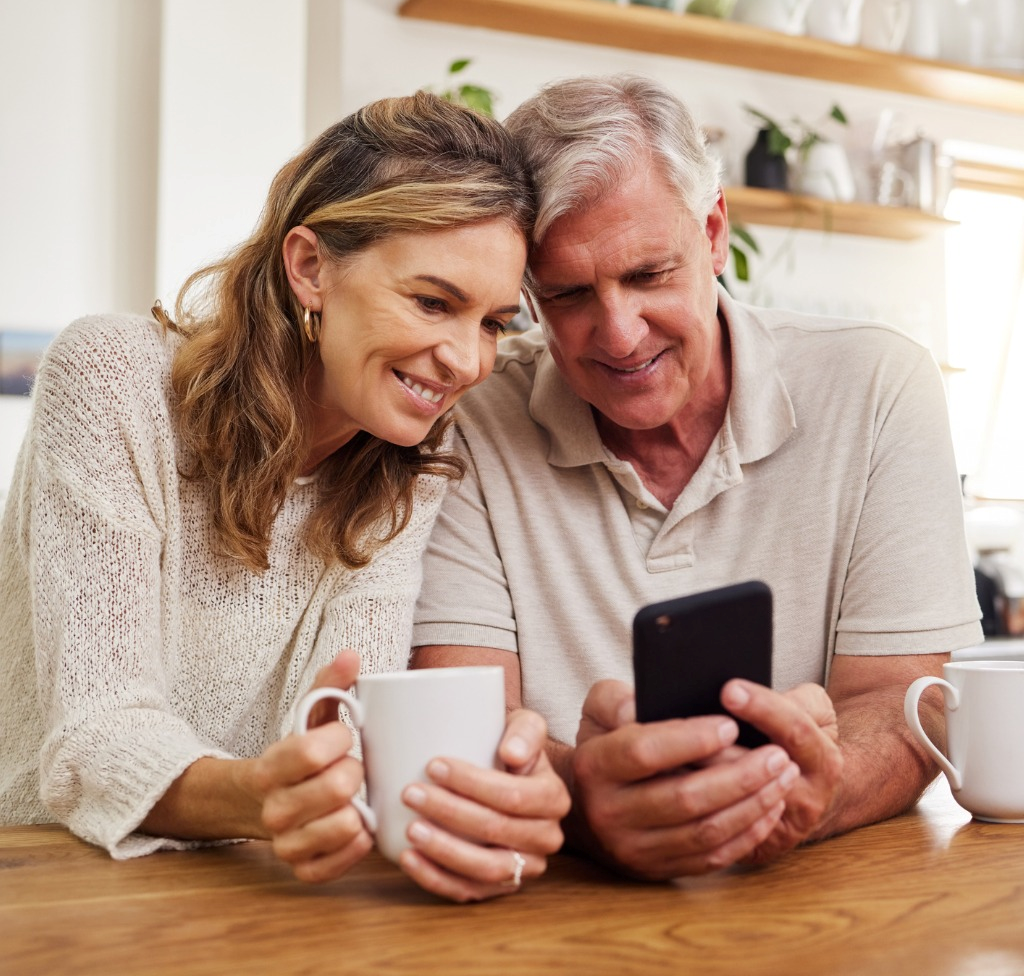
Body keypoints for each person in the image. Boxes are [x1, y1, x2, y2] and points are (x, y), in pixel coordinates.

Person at [0, 92, 569, 902]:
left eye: (493, 322)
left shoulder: (409, 459)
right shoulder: (112, 379)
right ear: (310, 267)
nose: (466, 361)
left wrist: (500, 788)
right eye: (433, 302)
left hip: (259, 891)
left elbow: (342, 726)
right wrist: (264, 794)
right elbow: (94, 738)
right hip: (58, 883)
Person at [411, 74, 983, 880]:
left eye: (648, 275)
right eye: (569, 294)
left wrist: (814, 785)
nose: (618, 334)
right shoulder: (469, 419)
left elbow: (903, 699)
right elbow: (466, 720)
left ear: (713, 233)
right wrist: (584, 799)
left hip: (825, 907)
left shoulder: (879, 386)